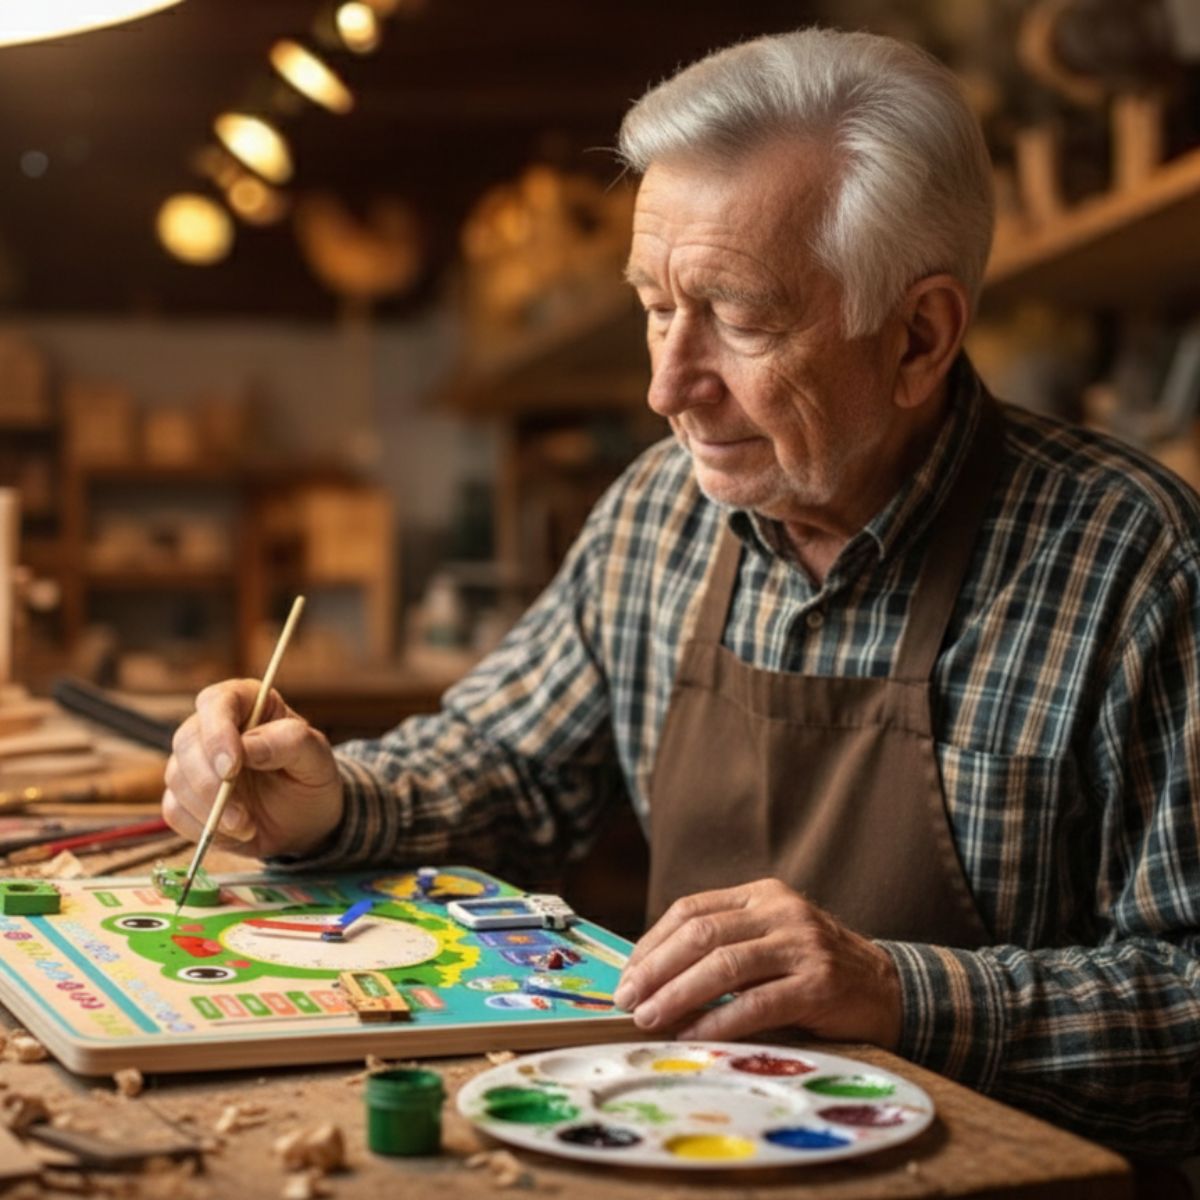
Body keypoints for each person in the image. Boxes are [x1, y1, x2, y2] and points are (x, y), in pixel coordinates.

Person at [163, 27, 1200, 1160]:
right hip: (689, 1144)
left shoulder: (1134, 564)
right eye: (657, 307)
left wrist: (901, 991)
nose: (667, 386)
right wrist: (326, 800)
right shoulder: (663, 513)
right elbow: (505, 764)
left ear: (918, 336)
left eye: (740, 317)